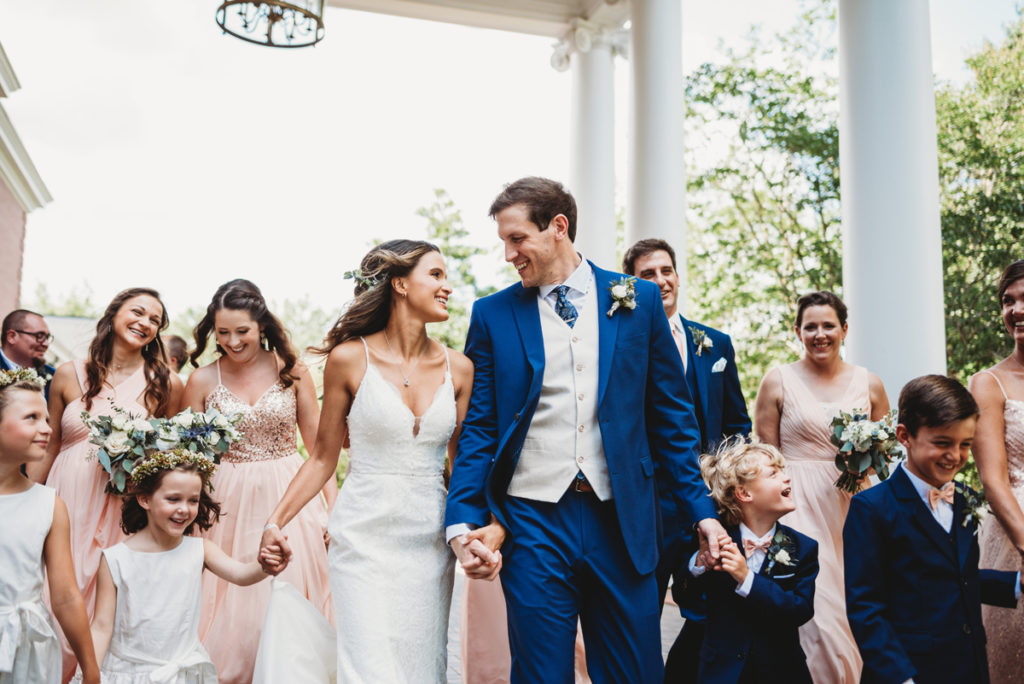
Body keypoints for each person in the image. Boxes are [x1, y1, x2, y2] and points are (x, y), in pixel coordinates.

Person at [444, 177, 724, 683]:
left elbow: (673, 423)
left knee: (634, 672)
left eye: (516, 239)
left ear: (558, 227)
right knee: (541, 673)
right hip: (533, 522)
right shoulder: (492, 314)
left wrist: (702, 512)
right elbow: (480, 428)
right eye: (504, 242)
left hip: (623, 519)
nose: (509, 254)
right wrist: (463, 519)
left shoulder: (637, 301)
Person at [258, 240, 479, 682]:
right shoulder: (348, 359)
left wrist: (479, 530)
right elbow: (322, 458)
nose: (447, 287)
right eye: (435, 275)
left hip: (429, 541)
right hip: (362, 537)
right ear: (399, 283)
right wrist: (275, 522)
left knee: (423, 667)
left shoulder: (460, 368)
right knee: (369, 669)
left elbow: (463, 467)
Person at [27, 287, 183, 682]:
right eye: (138, 312)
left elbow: (167, 460)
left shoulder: (166, 383)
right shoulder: (68, 373)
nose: (145, 323)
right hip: (64, 499)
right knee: (50, 594)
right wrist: (23, 500)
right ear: (114, 314)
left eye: (154, 320)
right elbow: (50, 445)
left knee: (105, 605)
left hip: (122, 507)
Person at [182, 279, 333, 684]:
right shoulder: (200, 380)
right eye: (223, 332)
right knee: (230, 604)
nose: (232, 341)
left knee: (289, 594)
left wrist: (331, 513)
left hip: (289, 493)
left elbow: (320, 450)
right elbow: (189, 459)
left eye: (242, 331)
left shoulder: (292, 371)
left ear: (261, 325)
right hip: (224, 500)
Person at [624, 237, 752, 682]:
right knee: (642, 614)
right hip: (649, 504)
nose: (660, 281)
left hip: (711, 505)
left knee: (708, 615)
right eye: (647, 275)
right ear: (632, 285)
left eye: (666, 270)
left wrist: (730, 488)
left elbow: (738, 424)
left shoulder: (714, 344)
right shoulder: (623, 344)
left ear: (677, 275)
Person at [844, 374, 1020, 684]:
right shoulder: (872, 508)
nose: (955, 455)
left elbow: (959, 577)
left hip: (968, 668)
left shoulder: (965, 498)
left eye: (965, 444)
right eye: (942, 443)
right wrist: (902, 678)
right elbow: (866, 609)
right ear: (905, 435)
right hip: (909, 672)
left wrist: (1017, 583)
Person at [752, 291, 888, 683]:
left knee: (855, 609)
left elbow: (886, 451)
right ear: (797, 331)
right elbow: (765, 458)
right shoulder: (777, 381)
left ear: (844, 329)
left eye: (828, 325)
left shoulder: (870, 384)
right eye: (810, 326)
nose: (820, 334)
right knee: (820, 616)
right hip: (799, 510)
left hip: (856, 509)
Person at [84, 449, 273, 683]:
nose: (184, 509)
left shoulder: (199, 549)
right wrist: (89, 675)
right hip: (129, 674)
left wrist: (265, 564)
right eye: (173, 499)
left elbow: (242, 574)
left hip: (181, 674)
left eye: (192, 500)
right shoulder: (115, 559)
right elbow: (102, 626)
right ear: (145, 500)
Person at [682, 437, 817, 683]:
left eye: (783, 471)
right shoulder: (716, 540)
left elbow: (800, 610)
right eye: (773, 474)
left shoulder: (803, 548)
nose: (786, 478)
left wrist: (747, 579)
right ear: (744, 493)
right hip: (721, 673)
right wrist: (700, 565)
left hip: (781, 673)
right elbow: (687, 600)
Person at [0, 368, 99, 684]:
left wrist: (91, 669)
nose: (46, 428)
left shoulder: (48, 505)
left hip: (27, 650)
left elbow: (66, 595)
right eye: (31, 417)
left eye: (46, 418)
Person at [970, 259, 1024, 684]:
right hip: (1012, 535)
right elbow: (992, 479)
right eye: (1008, 301)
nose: (1016, 310)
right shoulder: (989, 383)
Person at [1, 309, 56, 396]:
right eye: (39, 336)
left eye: (47, 337)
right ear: (12, 337)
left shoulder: (55, 377)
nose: (46, 344)